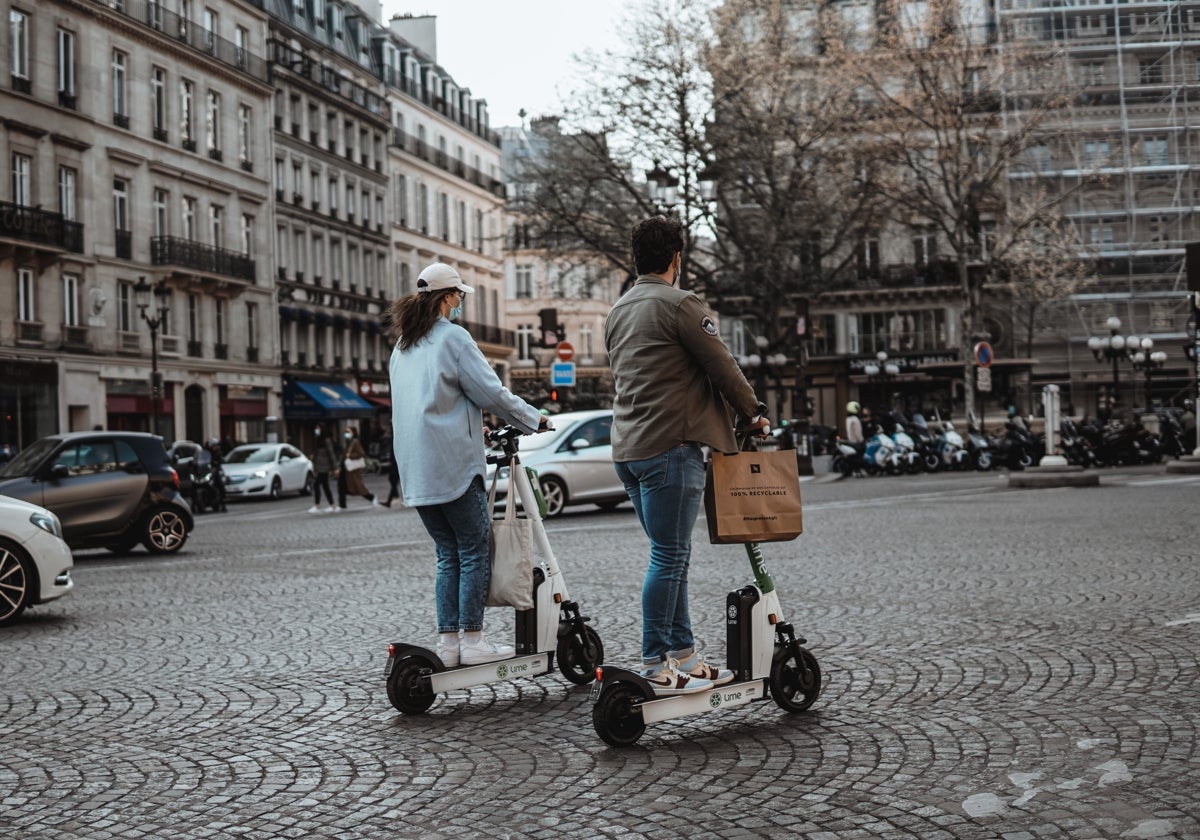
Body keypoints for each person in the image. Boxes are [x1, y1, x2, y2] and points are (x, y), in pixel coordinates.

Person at [604, 215, 767, 695]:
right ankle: (655, 661)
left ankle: (686, 656)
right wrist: (753, 412)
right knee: (669, 556)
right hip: (671, 446)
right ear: (677, 257)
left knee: (671, 556)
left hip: (629, 449)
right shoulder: (680, 304)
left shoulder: (618, 310)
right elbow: (723, 366)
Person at [388, 262, 550, 668]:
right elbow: (490, 393)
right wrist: (535, 419)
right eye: (458, 295)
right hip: (452, 464)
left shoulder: (403, 346)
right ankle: (474, 640)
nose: (461, 302)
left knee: (448, 553)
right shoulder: (453, 339)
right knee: (475, 548)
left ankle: (449, 643)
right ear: (446, 298)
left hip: (416, 468)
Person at [337, 427, 378, 509]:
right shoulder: (348, 442)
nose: (346, 433)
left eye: (348, 432)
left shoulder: (355, 442)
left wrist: (350, 456)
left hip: (352, 470)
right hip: (346, 469)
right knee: (341, 487)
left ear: (353, 433)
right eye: (345, 432)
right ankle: (342, 506)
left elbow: (361, 453)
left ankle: (372, 497)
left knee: (358, 488)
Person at [309, 423, 339, 513]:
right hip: (319, 467)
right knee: (325, 486)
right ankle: (332, 505)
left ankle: (317, 505)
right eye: (316, 428)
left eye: (318, 428)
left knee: (317, 484)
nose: (316, 430)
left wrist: (335, 467)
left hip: (325, 467)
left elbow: (331, 454)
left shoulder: (326, 440)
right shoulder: (318, 440)